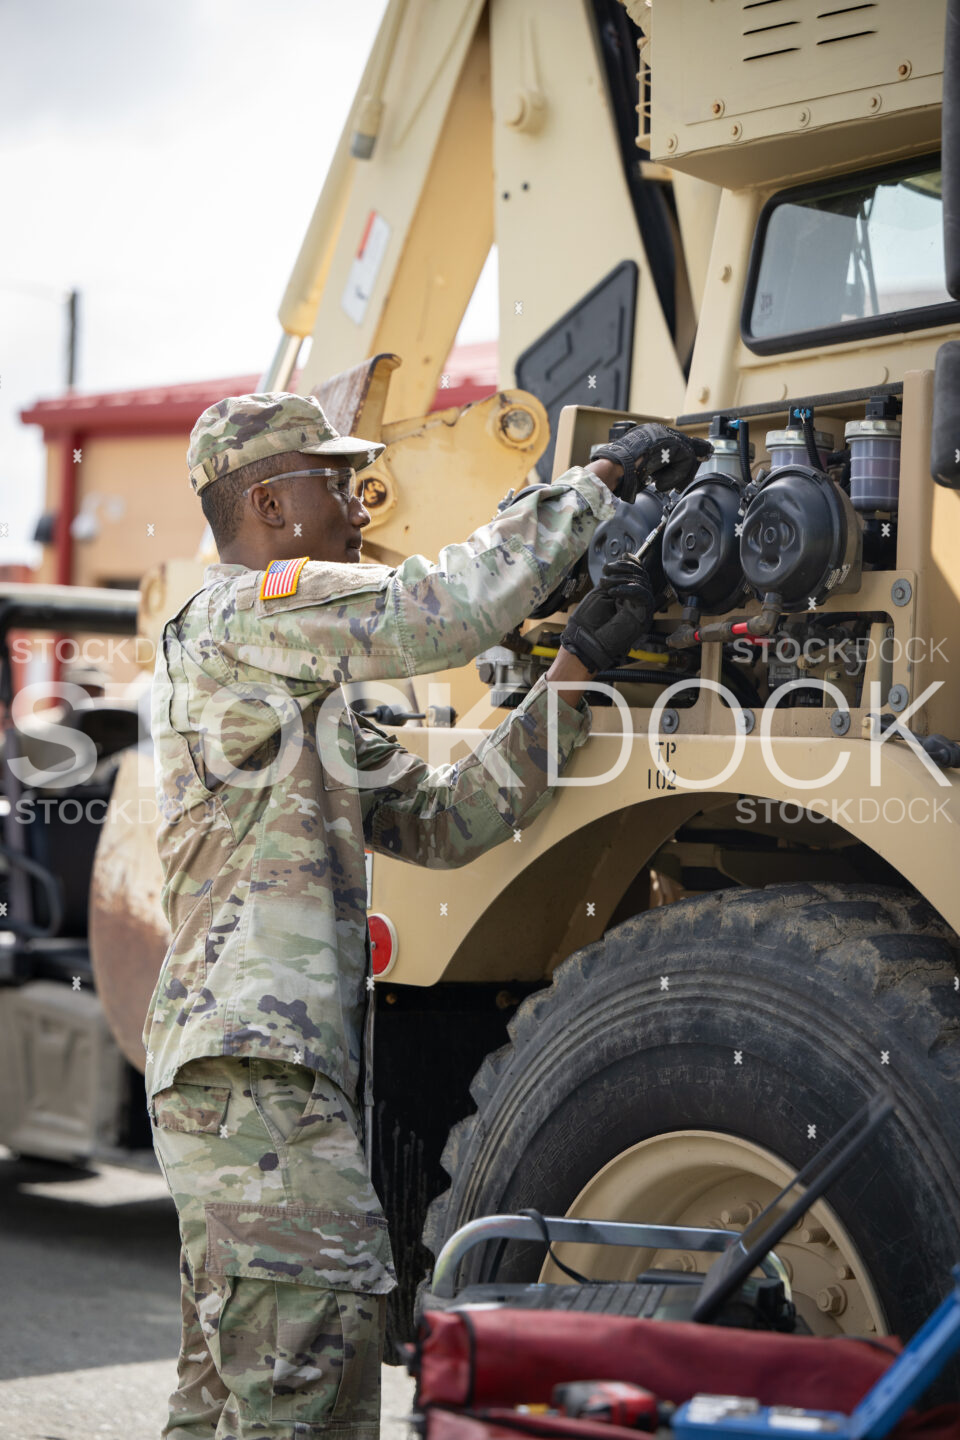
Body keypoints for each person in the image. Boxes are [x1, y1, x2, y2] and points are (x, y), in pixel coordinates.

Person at [142, 391, 708, 1440]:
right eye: (337, 484)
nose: (362, 505)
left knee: (234, 1400)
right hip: (251, 1077)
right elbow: (437, 609)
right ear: (267, 505)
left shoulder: (296, 691)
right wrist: (599, 484)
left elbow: (452, 821)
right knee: (313, 1375)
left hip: (257, 1080)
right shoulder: (240, 613)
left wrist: (576, 670)